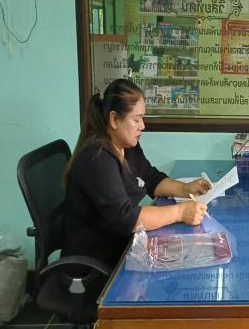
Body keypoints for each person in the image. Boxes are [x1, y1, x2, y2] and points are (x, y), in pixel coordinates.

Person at [62, 79, 211, 268]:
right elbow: (127, 218)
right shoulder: (97, 158)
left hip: (121, 245)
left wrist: (184, 189)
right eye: (137, 119)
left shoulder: (127, 146)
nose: (143, 126)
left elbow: (150, 178)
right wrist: (180, 212)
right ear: (114, 119)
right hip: (96, 262)